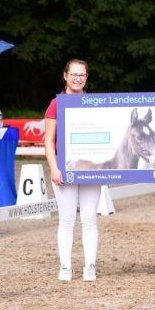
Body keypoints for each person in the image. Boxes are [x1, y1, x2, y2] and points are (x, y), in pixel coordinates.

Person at [44, 59, 102, 282]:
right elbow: (48, 140)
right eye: (74, 74)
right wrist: (54, 168)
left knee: (89, 218)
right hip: (64, 167)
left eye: (82, 75)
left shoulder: (95, 103)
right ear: (65, 76)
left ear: (86, 77)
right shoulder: (56, 104)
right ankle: (66, 266)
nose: (78, 78)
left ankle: (90, 266)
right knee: (66, 219)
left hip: (90, 168)